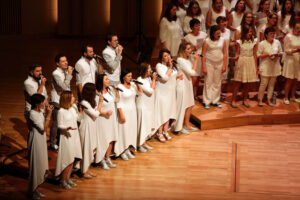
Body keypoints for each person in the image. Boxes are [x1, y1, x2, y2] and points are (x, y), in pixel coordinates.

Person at [27, 94, 53, 200]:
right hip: (35, 141)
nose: (45, 103)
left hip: (41, 140)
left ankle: (36, 189)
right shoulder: (33, 114)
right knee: (35, 166)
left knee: (41, 164)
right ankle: (32, 191)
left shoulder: (40, 111)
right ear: (37, 104)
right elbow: (43, 129)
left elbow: (47, 125)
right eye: (43, 102)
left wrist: (47, 114)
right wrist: (49, 115)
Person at [55, 91, 82, 189]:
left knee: (73, 158)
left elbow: (78, 119)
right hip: (66, 137)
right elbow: (59, 125)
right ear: (67, 99)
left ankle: (68, 178)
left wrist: (81, 111)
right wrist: (67, 127)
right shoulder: (61, 111)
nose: (74, 98)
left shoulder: (73, 108)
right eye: (72, 97)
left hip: (74, 136)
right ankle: (62, 180)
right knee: (67, 159)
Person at [154, 49, 182, 142]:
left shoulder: (171, 67)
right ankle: (159, 132)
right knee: (162, 112)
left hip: (170, 93)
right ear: (161, 58)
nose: (168, 57)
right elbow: (165, 78)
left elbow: (172, 76)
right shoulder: (159, 66)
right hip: (162, 93)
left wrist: (177, 76)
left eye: (168, 55)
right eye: (165, 56)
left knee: (168, 112)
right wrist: (170, 67)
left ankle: (166, 131)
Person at [115, 69, 142, 160]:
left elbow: (140, 93)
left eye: (131, 76)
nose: (131, 78)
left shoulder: (133, 85)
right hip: (124, 111)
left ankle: (127, 148)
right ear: (124, 77)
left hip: (132, 112)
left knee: (130, 131)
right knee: (124, 131)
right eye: (129, 76)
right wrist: (121, 114)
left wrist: (138, 85)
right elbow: (118, 102)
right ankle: (122, 150)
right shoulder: (119, 87)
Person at [174, 42, 199, 134]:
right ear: (183, 50)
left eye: (190, 48)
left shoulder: (188, 60)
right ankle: (178, 127)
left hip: (187, 84)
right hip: (182, 85)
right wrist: (196, 60)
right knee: (182, 106)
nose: (190, 50)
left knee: (190, 104)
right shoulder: (180, 60)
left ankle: (187, 124)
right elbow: (192, 73)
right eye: (188, 49)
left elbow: (192, 72)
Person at [49, 54, 73, 151]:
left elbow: (68, 87)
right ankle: (52, 143)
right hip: (56, 100)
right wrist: (69, 75)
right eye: (63, 61)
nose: (66, 62)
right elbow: (63, 87)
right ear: (57, 64)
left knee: (63, 121)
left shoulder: (65, 72)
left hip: (65, 100)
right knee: (56, 123)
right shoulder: (56, 74)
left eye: (66, 60)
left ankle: (60, 142)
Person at [95, 74, 119, 169]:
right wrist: (104, 113)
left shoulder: (109, 91)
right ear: (101, 81)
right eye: (106, 79)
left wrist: (117, 92)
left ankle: (107, 157)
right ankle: (101, 159)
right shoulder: (97, 94)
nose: (108, 80)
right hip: (102, 120)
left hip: (111, 119)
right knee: (103, 139)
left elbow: (117, 100)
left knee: (111, 138)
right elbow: (96, 108)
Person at [79, 83, 103, 178]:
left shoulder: (90, 101)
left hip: (92, 126)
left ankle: (87, 169)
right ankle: (83, 171)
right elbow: (95, 114)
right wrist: (100, 102)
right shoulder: (84, 103)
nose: (96, 92)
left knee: (91, 148)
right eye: (94, 90)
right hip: (86, 127)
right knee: (86, 149)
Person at [231, 25, 258, 108]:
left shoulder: (254, 41)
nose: (250, 33)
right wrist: (236, 57)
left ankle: (245, 99)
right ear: (244, 33)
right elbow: (238, 52)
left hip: (250, 61)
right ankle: (233, 100)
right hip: (241, 61)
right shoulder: (239, 41)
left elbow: (255, 54)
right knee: (237, 82)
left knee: (248, 83)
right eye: (248, 32)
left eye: (251, 32)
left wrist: (256, 66)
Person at [202, 25, 227, 109]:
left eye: (219, 33)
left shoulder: (223, 40)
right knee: (208, 82)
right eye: (217, 33)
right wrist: (204, 67)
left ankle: (215, 100)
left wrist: (224, 65)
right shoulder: (207, 41)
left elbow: (225, 53)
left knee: (217, 82)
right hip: (209, 64)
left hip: (219, 64)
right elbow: (203, 55)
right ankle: (207, 101)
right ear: (212, 33)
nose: (219, 35)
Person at [257, 27, 283, 106]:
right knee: (263, 83)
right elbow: (258, 55)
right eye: (271, 34)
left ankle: (269, 98)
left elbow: (281, 51)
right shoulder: (262, 43)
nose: (273, 35)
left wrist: (278, 54)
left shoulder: (277, 42)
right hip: (265, 66)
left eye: (274, 33)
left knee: (272, 84)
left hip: (275, 65)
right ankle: (260, 99)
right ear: (266, 35)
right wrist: (267, 55)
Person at [184, 18, 207, 99]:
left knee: (198, 79)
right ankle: (188, 96)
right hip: (193, 59)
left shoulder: (204, 35)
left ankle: (195, 95)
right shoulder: (187, 37)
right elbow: (185, 50)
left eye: (199, 25)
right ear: (192, 27)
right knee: (193, 78)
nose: (198, 27)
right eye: (196, 25)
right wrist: (193, 48)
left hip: (201, 58)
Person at [136, 63, 157, 152]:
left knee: (146, 124)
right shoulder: (140, 79)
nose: (150, 69)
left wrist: (152, 79)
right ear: (145, 69)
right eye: (149, 68)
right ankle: (139, 144)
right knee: (142, 125)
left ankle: (144, 142)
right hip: (142, 105)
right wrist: (154, 79)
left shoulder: (148, 78)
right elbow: (150, 91)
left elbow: (153, 88)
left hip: (148, 105)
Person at [282, 19, 300, 104]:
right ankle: (286, 97)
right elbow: (286, 50)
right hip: (290, 59)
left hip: (298, 59)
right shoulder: (288, 36)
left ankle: (293, 96)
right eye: (297, 28)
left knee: (296, 79)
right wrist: (295, 50)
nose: (298, 30)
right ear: (293, 27)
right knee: (290, 79)